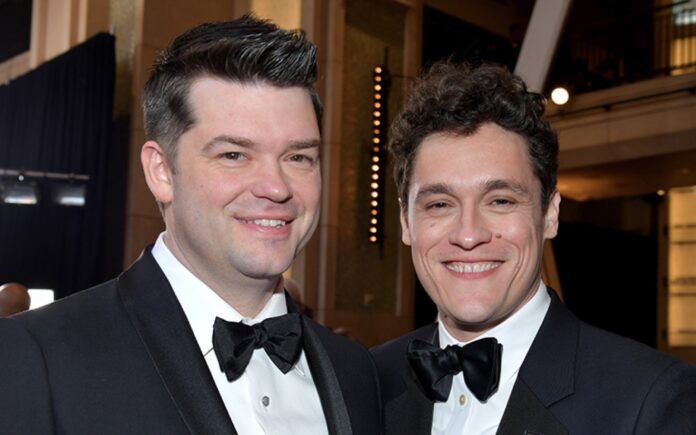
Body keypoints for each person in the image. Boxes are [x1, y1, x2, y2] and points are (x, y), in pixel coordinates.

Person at [0, 16, 381, 435]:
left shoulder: (357, 373)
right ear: (161, 172)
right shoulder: (37, 359)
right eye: (234, 155)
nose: (276, 187)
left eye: (298, 157)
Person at [371, 61, 696, 435]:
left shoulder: (651, 399)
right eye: (440, 204)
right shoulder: (368, 381)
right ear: (406, 221)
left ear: (550, 214)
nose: (468, 235)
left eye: (500, 201)